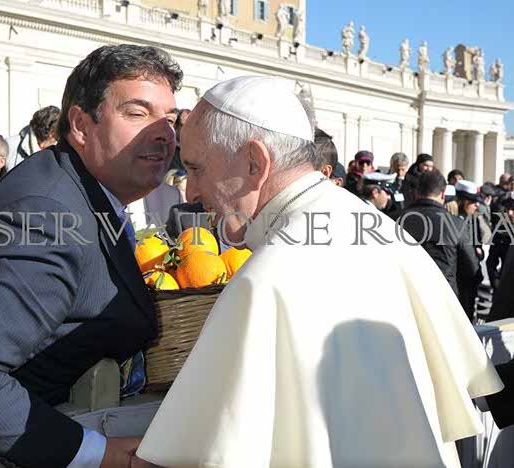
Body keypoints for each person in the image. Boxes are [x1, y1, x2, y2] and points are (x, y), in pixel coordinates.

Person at [136, 75, 502, 468]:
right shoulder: (382, 230)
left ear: (254, 163)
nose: (190, 192)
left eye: (196, 168)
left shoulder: (265, 280)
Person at [0, 44, 182, 468]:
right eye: (137, 113)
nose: (164, 133)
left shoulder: (79, 191)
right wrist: (97, 454)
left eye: (170, 118)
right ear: (81, 125)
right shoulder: (45, 216)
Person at [399, 170, 480, 296]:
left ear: (416, 192)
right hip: (443, 296)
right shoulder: (456, 224)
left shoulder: (394, 220)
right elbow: (471, 268)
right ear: (443, 194)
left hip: (405, 295)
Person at [455, 179, 485, 320]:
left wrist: (478, 251)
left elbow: (478, 244)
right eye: (473, 202)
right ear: (463, 202)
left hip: (471, 278)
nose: (476, 205)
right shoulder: (452, 221)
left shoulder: (473, 220)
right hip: (458, 278)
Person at [5, 105, 61, 171]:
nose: (59, 137)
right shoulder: (10, 146)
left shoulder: (60, 151)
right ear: (51, 133)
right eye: (59, 132)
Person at [384, 152, 409, 217]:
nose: (400, 173)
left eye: (403, 169)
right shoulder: (384, 181)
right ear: (391, 166)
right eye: (397, 169)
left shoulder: (412, 183)